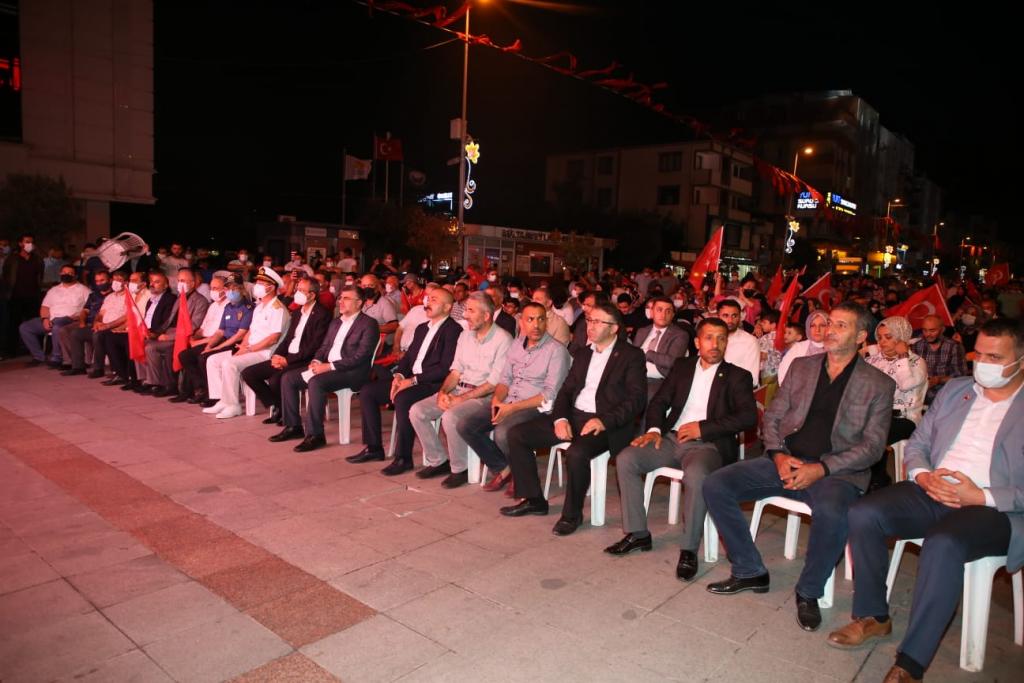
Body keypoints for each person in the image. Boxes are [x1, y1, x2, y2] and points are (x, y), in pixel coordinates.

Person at [829, 318, 1024, 683]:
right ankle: (873, 616)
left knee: (943, 542)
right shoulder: (957, 390)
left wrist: (979, 495)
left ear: (1021, 361)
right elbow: (918, 443)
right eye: (979, 354)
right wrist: (922, 475)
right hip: (932, 488)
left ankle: (911, 662)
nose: (983, 364)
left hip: (991, 507)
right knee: (864, 512)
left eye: (995, 357)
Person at [701, 302, 895, 632]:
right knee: (716, 484)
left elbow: (872, 447)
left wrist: (822, 468)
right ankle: (749, 569)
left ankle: (809, 591)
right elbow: (773, 416)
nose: (830, 330)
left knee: (833, 512)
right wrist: (777, 454)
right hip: (785, 459)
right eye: (829, 323)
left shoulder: (878, 384)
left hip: (836, 473)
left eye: (841, 326)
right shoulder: (803, 367)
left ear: (862, 336)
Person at [607, 317, 757, 580]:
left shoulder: (738, 376)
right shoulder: (683, 366)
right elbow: (659, 401)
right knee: (627, 458)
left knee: (697, 475)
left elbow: (748, 417)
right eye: (709, 338)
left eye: (721, 338)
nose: (715, 344)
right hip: (670, 438)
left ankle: (689, 549)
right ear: (697, 342)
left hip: (706, 445)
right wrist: (654, 430)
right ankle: (638, 533)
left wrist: (703, 428)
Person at [500, 303, 647, 536]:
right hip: (575, 415)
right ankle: (534, 499)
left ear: (614, 328)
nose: (591, 326)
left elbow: (636, 400)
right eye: (589, 320)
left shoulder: (631, 356)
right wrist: (560, 418)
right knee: (517, 434)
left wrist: (604, 421)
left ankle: (572, 514)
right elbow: (566, 391)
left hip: (605, 422)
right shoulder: (583, 353)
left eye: (598, 322)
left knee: (577, 453)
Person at [458, 300, 572, 494]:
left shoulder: (557, 351)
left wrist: (511, 408)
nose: (536, 325)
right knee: (466, 425)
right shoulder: (517, 344)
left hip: (535, 407)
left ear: (546, 322)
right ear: (521, 322)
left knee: (503, 432)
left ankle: (520, 475)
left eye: (541, 319)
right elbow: (505, 379)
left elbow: (549, 394)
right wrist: (497, 400)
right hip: (508, 401)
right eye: (530, 320)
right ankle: (505, 468)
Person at [348, 288, 462, 475]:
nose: (428, 302)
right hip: (411, 380)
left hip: (434, 384)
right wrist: (399, 376)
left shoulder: (453, 330)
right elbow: (409, 357)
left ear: (447, 307)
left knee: (403, 398)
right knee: (368, 391)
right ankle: (374, 447)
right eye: (428, 299)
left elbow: (445, 368)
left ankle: (403, 457)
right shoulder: (422, 328)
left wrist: (413, 381)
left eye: (434, 300)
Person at [408, 292, 512, 487]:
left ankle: (460, 469)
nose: (465, 315)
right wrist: (443, 392)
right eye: (465, 310)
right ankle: (438, 461)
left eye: (470, 311)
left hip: (485, 397)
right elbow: (455, 372)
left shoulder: (503, 339)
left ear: (486, 315)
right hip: (459, 390)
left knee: (450, 416)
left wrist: (460, 400)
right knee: (417, 411)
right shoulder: (465, 335)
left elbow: (493, 384)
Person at [272, 285, 379, 452]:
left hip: (352, 372)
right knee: (288, 378)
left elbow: (361, 357)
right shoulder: (336, 322)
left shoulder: (368, 324)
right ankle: (293, 426)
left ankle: (316, 435)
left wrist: (329, 366)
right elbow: (324, 347)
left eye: (346, 298)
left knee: (316, 382)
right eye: (340, 298)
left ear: (359, 303)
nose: (340, 301)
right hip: (328, 367)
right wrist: (316, 360)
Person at [241, 276, 331, 424]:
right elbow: (287, 339)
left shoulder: (322, 314)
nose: (297, 293)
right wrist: (277, 355)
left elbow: (314, 346)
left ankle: (286, 415)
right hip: (288, 356)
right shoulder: (297, 313)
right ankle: (278, 405)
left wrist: (287, 361)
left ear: (312, 295)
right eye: (297, 289)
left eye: (302, 290)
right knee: (249, 373)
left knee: (276, 379)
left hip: (305, 359)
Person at [202, 267, 289, 419]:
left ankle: (233, 405)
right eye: (257, 282)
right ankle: (222, 399)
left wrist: (249, 349)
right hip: (251, 349)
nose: (257, 286)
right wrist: (243, 346)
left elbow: (273, 338)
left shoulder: (278, 309)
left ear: (271, 287)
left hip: (266, 353)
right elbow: (250, 331)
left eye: (261, 283)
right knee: (213, 360)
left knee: (229, 364)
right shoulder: (259, 307)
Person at [863, 316, 928, 490]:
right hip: (876, 416)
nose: (882, 341)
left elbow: (906, 384)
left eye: (888, 337)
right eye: (880, 337)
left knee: (874, 436)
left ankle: (877, 481)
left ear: (901, 338)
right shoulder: (872, 361)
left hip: (904, 418)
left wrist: (902, 356)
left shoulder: (916, 362)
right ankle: (865, 479)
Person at [143, 268, 210, 397]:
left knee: (152, 347)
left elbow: (193, 326)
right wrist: (156, 333)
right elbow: (169, 320)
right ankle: (153, 382)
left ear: (192, 283)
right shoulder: (180, 298)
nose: (180, 283)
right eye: (179, 280)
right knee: (145, 342)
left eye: (183, 281)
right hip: (171, 332)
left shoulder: (200, 301)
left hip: (183, 336)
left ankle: (165, 384)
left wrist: (169, 337)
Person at [19, 264, 91, 367]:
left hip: (70, 319)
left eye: (70, 273)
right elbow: (45, 307)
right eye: (64, 272)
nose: (66, 274)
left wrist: (79, 316)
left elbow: (89, 308)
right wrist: (45, 319)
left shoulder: (84, 290)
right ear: (60, 273)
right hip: (50, 319)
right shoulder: (53, 290)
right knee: (25, 327)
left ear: (75, 276)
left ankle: (57, 357)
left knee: (57, 325)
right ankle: (39, 356)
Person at [632, 296, 690, 399]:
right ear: (652, 312)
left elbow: (672, 362)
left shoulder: (680, 335)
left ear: (673, 315)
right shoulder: (642, 331)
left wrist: (647, 353)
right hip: (634, 375)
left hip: (658, 380)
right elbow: (632, 355)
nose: (663, 315)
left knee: (645, 396)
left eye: (668, 311)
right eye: (659, 310)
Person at [911, 314, 967, 404]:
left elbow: (961, 376)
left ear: (942, 329)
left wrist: (939, 380)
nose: (928, 334)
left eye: (932, 330)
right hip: (919, 394)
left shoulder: (954, 346)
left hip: (944, 394)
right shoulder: (916, 345)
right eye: (925, 330)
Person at [716, 299, 759, 386]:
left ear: (739, 317)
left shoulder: (749, 341)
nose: (730, 320)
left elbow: (752, 379)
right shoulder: (710, 338)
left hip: (735, 390)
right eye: (725, 316)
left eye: (734, 316)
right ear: (718, 316)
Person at [777, 310, 828, 385]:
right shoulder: (799, 348)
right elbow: (783, 372)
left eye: (822, 325)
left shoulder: (835, 348)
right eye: (813, 325)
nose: (817, 330)